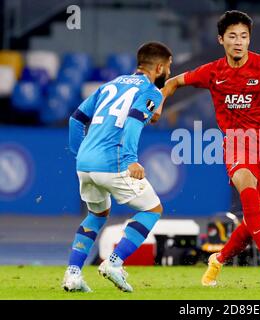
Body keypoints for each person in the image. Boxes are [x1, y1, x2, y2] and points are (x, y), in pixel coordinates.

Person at [162, 10, 260, 286]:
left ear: (250, 40)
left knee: (253, 222)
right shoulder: (212, 72)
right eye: (233, 36)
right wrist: (158, 104)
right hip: (236, 145)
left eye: (244, 36)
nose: (239, 42)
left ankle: (218, 259)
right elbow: (173, 82)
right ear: (221, 40)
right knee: (246, 187)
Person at [62, 42, 172, 293]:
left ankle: (73, 274)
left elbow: (75, 120)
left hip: (85, 163)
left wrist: (81, 154)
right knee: (152, 209)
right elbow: (133, 122)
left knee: (97, 214)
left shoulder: (110, 84)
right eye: (168, 66)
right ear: (159, 67)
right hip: (114, 162)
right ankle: (114, 262)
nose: (168, 71)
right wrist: (131, 159)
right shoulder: (150, 91)